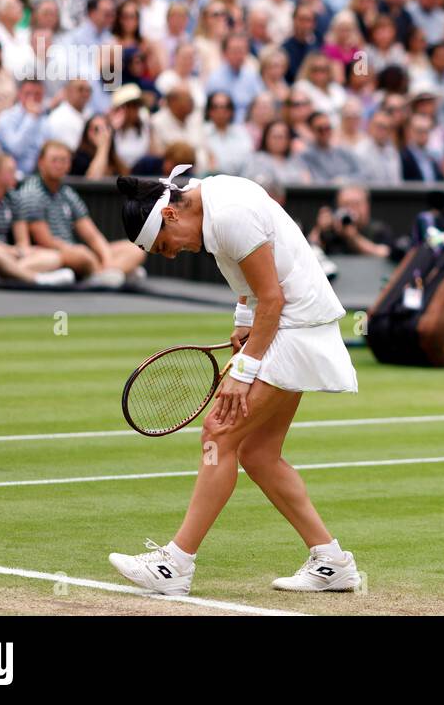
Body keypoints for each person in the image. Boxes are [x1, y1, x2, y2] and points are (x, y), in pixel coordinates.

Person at [108, 165, 361, 595]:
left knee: (218, 432)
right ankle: (331, 561)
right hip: (293, 323)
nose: (172, 254)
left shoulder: (229, 214)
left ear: (170, 216)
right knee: (259, 453)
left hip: (295, 325)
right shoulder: (217, 206)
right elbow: (251, 288)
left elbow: (273, 299)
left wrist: (243, 373)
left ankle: (176, 564)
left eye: (165, 246)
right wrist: (243, 322)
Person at [16, 141, 147, 287]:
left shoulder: (68, 193)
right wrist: (76, 251)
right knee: (82, 254)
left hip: (76, 252)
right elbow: (45, 241)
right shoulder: (31, 192)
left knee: (136, 249)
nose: (59, 165)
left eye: (64, 160)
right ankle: (111, 274)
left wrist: (106, 257)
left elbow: (92, 234)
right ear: (41, 162)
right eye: (54, 160)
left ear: (69, 165)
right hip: (51, 254)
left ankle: (106, 273)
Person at [0, 152, 74, 285]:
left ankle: (8, 275)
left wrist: (22, 251)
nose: (15, 175)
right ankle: (36, 279)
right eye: (10, 170)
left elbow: (23, 242)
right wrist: (14, 251)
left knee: (54, 257)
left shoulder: (14, 198)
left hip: (10, 256)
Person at [307, 184, 393, 258]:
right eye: (346, 204)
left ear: (366, 206)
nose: (351, 209)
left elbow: (385, 254)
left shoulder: (378, 229)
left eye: (356, 204)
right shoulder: (332, 230)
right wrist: (319, 230)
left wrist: (353, 238)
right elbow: (308, 253)